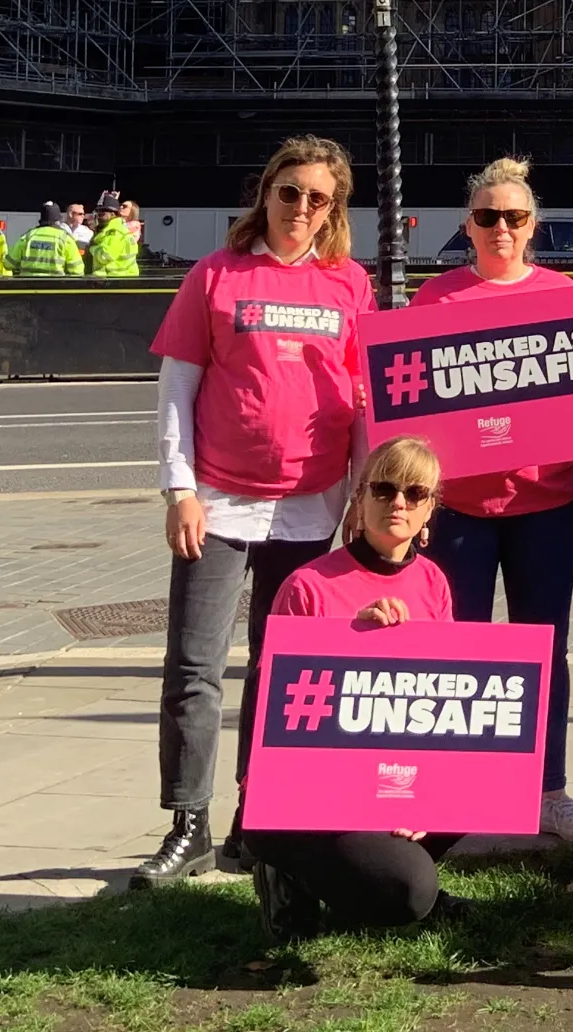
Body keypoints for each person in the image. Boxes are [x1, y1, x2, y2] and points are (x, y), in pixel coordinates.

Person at [133, 137, 374, 888]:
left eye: (319, 198)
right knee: (194, 669)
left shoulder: (350, 285)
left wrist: (364, 496)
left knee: (284, 675)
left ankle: (258, 822)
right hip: (219, 500)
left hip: (312, 510)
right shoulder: (216, 275)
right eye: (290, 192)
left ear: (334, 209)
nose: (302, 208)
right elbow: (177, 388)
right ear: (265, 193)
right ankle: (188, 825)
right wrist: (179, 488)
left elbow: (367, 402)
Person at [413, 157, 573, 844]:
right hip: (458, 506)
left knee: (543, 648)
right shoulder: (434, 299)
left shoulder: (566, 295)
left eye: (514, 218)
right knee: (457, 652)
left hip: (546, 502)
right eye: (488, 217)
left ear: (533, 226)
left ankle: (547, 789)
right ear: (468, 226)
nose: (501, 228)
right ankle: (456, 790)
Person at [247, 436, 465, 940]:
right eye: (385, 490)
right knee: (410, 892)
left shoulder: (434, 583)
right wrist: (347, 643)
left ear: (432, 508)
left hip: (391, 774)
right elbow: (273, 716)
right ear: (360, 497)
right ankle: (289, 873)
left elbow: (446, 707)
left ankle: (358, 879)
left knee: (491, 780)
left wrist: (426, 796)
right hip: (310, 793)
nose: (400, 504)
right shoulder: (309, 587)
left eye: (416, 493)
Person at [8, 202, 84, 277]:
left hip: (28, 286)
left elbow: (8, 264)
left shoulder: (28, 236)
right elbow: (78, 270)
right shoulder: (65, 239)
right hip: (55, 286)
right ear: (58, 220)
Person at [87, 191, 141, 279]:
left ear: (112, 214)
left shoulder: (116, 232)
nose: (99, 217)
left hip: (118, 281)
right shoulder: (109, 230)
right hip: (114, 280)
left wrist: (92, 248)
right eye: (98, 214)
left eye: (102, 214)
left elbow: (104, 257)